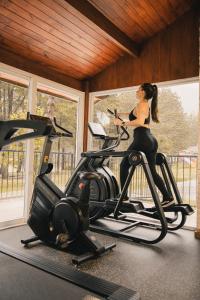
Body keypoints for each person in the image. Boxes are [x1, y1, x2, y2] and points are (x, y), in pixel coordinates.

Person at [114, 83, 174, 208]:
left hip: (142, 139)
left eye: (138, 89)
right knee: (152, 172)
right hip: (149, 139)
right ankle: (168, 197)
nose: (136, 91)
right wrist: (122, 116)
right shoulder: (144, 105)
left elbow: (140, 121)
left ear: (143, 92)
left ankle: (123, 196)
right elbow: (137, 116)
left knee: (124, 165)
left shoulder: (142, 104)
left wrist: (122, 123)